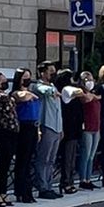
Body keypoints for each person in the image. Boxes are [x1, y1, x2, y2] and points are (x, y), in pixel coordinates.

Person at [33, 62, 63, 199]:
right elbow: (42, 90)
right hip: (47, 125)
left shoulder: (53, 86)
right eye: (50, 71)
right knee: (43, 158)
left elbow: (59, 109)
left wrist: (61, 128)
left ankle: (49, 185)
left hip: (57, 126)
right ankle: (42, 186)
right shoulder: (38, 85)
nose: (53, 74)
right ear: (42, 73)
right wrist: (52, 91)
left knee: (51, 159)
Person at [0, 72, 20, 206]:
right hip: (1, 132)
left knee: (7, 165)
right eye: (2, 81)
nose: (4, 83)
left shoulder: (8, 96)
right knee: (3, 164)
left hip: (12, 132)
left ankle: (3, 192)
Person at [12, 69, 41, 203]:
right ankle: (21, 191)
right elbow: (23, 96)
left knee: (30, 160)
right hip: (23, 127)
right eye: (25, 78)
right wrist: (31, 94)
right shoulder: (16, 93)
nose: (27, 80)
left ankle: (28, 190)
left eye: (29, 77)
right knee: (22, 161)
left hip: (33, 126)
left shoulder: (32, 93)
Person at [58, 70, 84, 193]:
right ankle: (66, 182)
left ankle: (70, 180)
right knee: (67, 158)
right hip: (68, 128)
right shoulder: (65, 89)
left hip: (75, 127)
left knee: (73, 157)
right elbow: (78, 92)